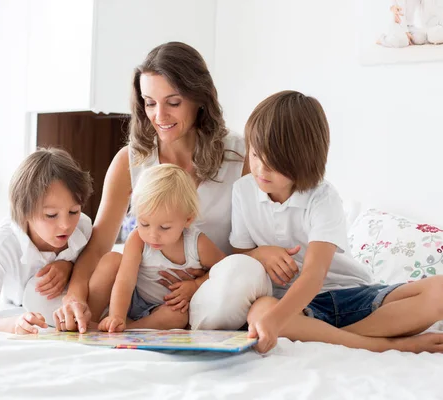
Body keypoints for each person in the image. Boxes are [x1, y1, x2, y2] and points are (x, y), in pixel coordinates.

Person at [52, 42, 302, 333]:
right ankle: (107, 326)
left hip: (210, 291)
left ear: (199, 99)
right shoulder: (129, 161)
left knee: (238, 277)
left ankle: (168, 324)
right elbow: (98, 248)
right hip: (141, 290)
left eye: (173, 102)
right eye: (149, 103)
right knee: (102, 269)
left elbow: (257, 243)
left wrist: (201, 281)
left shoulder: (241, 156)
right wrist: (73, 296)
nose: (159, 116)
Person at [191, 90, 443, 354]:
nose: (260, 169)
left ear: (303, 160)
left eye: (273, 162)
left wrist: (275, 321)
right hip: (297, 307)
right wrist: (262, 254)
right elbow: (240, 253)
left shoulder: (322, 197)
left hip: (352, 294)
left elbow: (314, 276)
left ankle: (342, 338)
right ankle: (385, 343)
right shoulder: (243, 190)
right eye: (255, 155)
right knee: (259, 310)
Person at [0, 147, 93, 334]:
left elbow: (92, 265)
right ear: (25, 212)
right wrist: (14, 324)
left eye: (74, 211)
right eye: (51, 215)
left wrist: (68, 267)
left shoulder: (82, 226)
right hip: (23, 305)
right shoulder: (3, 243)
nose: (66, 225)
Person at [97, 164, 225, 332]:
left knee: (178, 316)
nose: (152, 235)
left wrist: (196, 284)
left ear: (188, 220)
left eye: (164, 227)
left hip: (162, 309)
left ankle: (129, 328)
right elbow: (125, 281)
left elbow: (225, 269)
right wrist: (117, 315)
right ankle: (90, 318)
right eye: (144, 224)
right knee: (111, 261)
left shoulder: (197, 244)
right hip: (131, 299)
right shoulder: (137, 239)